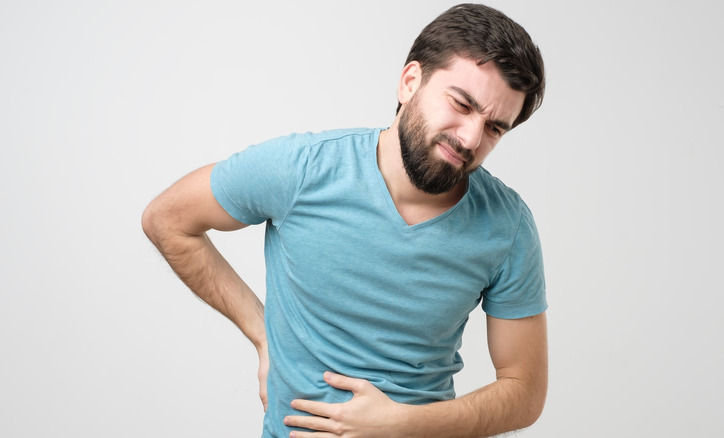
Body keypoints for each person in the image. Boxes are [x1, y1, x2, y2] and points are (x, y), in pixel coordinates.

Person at [142, 3, 548, 437]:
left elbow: (524, 391)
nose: (471, 138)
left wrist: (405, 425)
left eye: (494, 129)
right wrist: (263, 334)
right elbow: (166, 219)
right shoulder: (303, 169)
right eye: (462, 104)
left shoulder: (508, 226)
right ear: (411, 82)